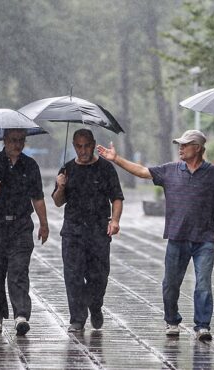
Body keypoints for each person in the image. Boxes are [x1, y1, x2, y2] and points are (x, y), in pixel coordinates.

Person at [96, 129, 214, 341]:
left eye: (185, 145)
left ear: (199, 148)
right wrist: (116, 159)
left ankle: (202, 325)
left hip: (203, 240)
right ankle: (172, 320)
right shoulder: (170, 170)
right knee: (170, 284)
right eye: (180, 145)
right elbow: (142, 171)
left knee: (203, 284)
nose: (181, 148)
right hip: (177, 237)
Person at [0, 128, 49, 336]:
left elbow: (38, 197)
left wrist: (44, 223)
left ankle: (21, 314)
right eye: (13, 140)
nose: (18, 144)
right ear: (4, 140)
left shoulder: (30, 165)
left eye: (21, 140)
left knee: (18, 269)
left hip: (21, 224)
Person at [52, 129, 123, 333]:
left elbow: (116, 197)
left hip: (99, 231)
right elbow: (57, 202)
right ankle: (77, 318)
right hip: (73, 231)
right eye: (79, 146)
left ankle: (95, 305)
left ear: (93, 144)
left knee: (99, 276)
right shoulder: (66, 169)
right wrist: (60, 187)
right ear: (74, 146)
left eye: (87, 146)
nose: (83, 150)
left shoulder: (106, 169)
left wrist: (115, 220)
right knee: (73, 275)